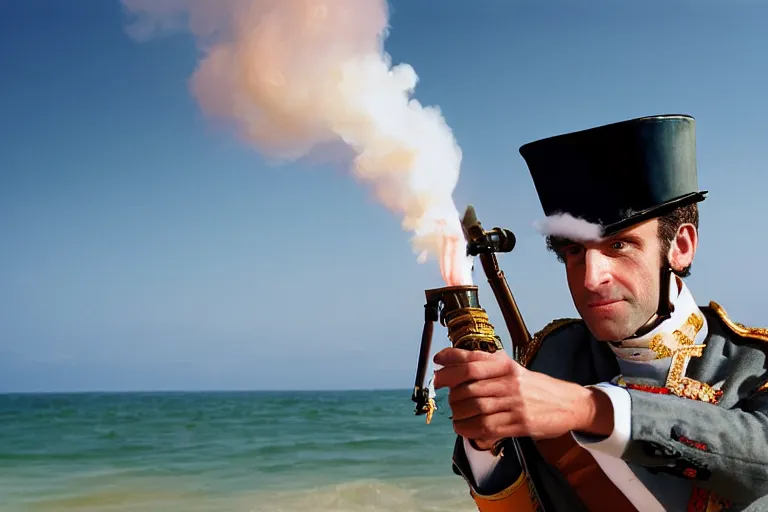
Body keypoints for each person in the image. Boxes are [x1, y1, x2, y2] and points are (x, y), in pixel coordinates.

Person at [433, 114, 768, 512]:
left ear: (680, 246)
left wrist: (584, 408)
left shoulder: (755, 362)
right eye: (574, 251)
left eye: (618, 246)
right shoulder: (550, 358)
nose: (590, 279)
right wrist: (486, 443)